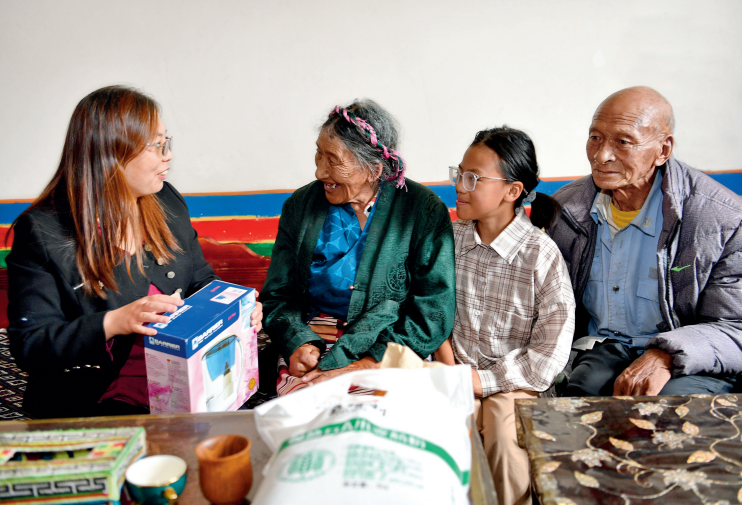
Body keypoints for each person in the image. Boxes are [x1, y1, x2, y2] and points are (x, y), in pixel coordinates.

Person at [6, 85, 262, 418]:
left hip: (185, 385)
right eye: (156, 145)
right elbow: (31, 344)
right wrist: (115, 322)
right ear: (111, 153)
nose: (168, 155)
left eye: (166, 142)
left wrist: (238, 308)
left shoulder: (166, 200)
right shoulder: (44, 231)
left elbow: (201, 281)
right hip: (96, 397)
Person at [548, 86, 742, 397]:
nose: (601, 155)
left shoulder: (722, 220)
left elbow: (736, 327)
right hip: (602, 348)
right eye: (595, 137)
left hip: (691, 355)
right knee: (581, 395)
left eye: (623, 141)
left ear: (663, 150)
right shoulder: (568, 210)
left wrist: (667, 354)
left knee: (670, 405)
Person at [261, 99, 455, 394]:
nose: (320, 172)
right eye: (319, 154)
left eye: (333, 160)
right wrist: (297, 342)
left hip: (391, 344)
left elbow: (434, 310)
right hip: (314, 341)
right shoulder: (301, 207)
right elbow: (278, 294)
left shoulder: (422, 210)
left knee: (384, 416)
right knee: (307, 412)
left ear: (373, 170)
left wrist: (367, 364)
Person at [435, 126, 576, 505]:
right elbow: (433, 310)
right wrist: (452, 373)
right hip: (453, 368)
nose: (459, 186)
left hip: (516, 381)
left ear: (512, 191)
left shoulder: (541, 256)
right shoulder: (450, 239)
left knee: (502, 430)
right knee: (449, 425)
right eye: (459, 174)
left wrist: (481, 383)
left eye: (473, 178)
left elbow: (547, 354)